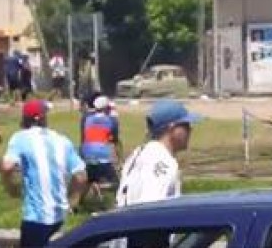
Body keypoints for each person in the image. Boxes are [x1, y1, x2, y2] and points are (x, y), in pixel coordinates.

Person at [2, 99, 87, 247]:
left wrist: (11, 188)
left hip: (36, 217)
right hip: (59, 216)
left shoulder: (20, 138)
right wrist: (73, 201)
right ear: (41, 118)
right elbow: (81, 176)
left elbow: (7, 167)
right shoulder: (62, 140)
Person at [115, 100, 200, 248]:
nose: (190, 130)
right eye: (185, 125)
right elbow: (150, 214)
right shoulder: (161, 161)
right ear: (172, 128)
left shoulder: (140, 153)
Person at [80, 96, 123, 198]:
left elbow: (83, 139)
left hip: (87, 155)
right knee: (116, 184)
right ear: (106, 108)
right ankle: (101, 187)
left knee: (89, 181)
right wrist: (120, 160)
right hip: (103, 157)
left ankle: (76, 205)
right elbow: (115, 142)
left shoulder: (86, 118)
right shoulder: (112, 121)